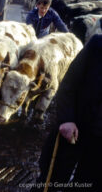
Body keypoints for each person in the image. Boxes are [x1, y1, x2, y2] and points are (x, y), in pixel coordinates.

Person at [31, 34, 102, 192]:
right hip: (75, 127)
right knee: (51, 179)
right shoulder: (97, 45)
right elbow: (69, 83)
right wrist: (66, 119)